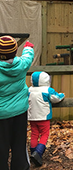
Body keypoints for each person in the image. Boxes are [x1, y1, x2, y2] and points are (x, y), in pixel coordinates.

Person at [0, 36, 34, 170]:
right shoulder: (22, 64)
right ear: (15, 52)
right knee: (19, 144)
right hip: (20, 112)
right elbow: (28, 56)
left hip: (1, 115)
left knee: (1, 147)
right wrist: (28, 47)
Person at [28, 71, 65, 166]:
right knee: (44, 134)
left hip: (32, 117)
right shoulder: (48, 90)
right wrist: (62, 95)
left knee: (34, 134)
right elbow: (56, 98)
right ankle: (38, 153)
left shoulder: (29, 90)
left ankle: (33, 153)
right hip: (44, 117)